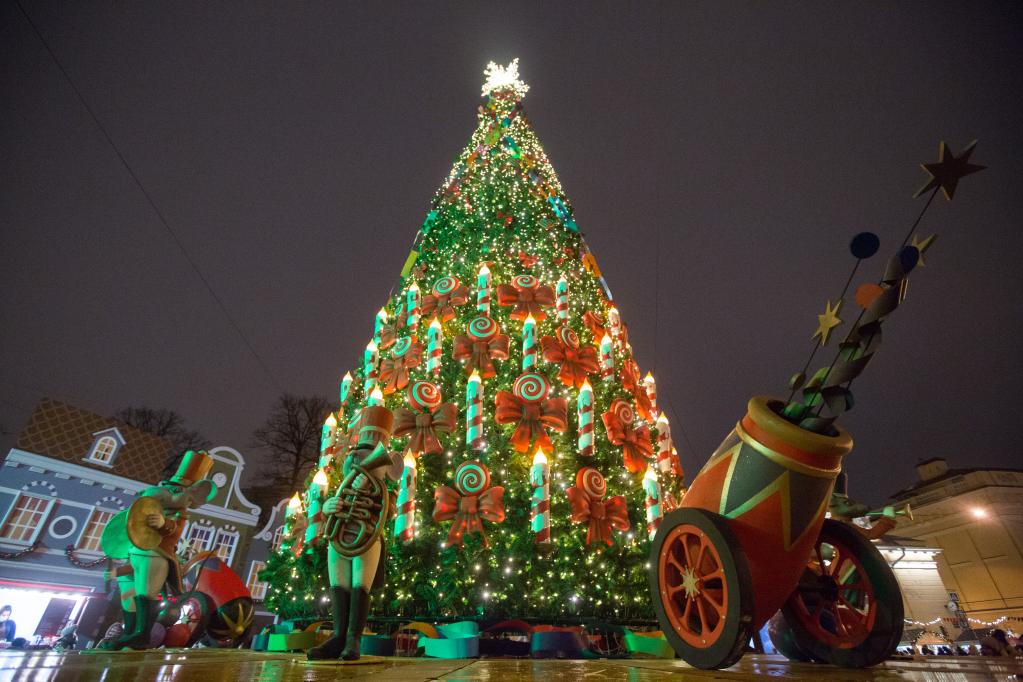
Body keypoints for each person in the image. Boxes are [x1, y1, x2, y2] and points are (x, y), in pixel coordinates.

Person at [307, 406, 402, 662]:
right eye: (357, 455)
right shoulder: (345, 485)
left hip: (366, 540)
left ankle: (353, 639)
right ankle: (338, 636)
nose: (361, 460)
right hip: (339, 539)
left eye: (370, 456)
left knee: (360, 586)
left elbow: (388, 512)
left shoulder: (382, 489)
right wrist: (329, 506)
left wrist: (372, 496)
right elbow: (331, 509)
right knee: (339, 586)